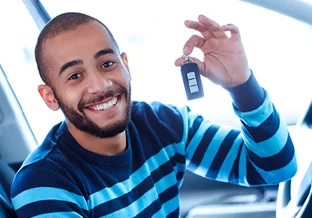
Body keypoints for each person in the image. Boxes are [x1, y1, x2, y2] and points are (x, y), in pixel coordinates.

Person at [11, 12, 297, 217]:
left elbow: (275, 169)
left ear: (126, 65)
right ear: (50, 96)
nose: (100, 85)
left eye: (107, 63)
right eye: (75, 76)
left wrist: (242, 85)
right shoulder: (44, 184)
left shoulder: (163, 124)